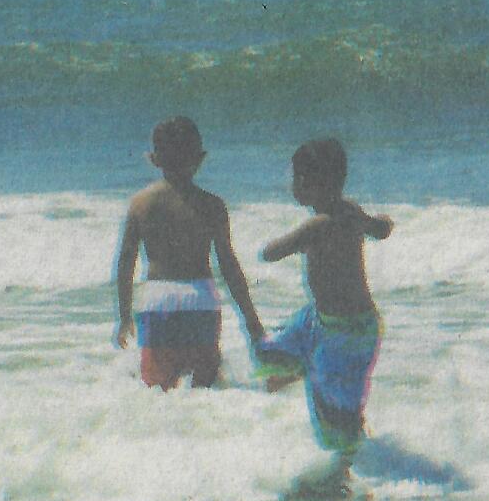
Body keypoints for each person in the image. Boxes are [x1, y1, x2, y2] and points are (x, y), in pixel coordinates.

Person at [254, 138, 397, 455]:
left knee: (335, 419)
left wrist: (285, 243)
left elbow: (270, 253)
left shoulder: (317, 225)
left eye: (296, 179)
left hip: (342, 335)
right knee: (282, 357)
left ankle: (348, 468)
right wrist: (374, 222)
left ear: (306, 182)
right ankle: (306, 369)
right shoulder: (351, 212)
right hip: (342, 324)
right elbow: (383, 229)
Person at [112, 115, 268, 387]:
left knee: (159, 390)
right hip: (201, 300)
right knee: (205, 387)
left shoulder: (141, 204)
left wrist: (125, 316)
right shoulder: (213, 205)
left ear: (153, 159)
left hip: (159, 301)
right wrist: (251, 321)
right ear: (201, 157)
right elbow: (229, 267)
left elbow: (126, 264)